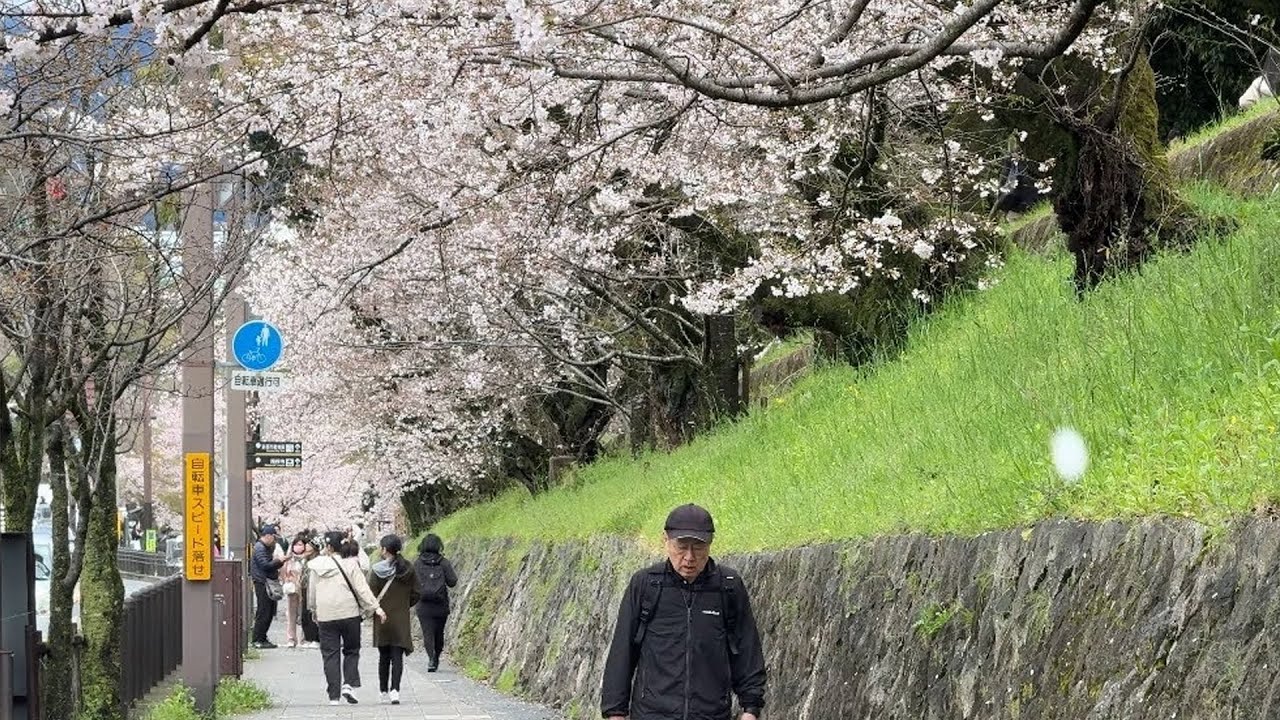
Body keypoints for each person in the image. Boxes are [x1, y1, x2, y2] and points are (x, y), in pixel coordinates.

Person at [601, 504, 767, 720]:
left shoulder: (728, 586)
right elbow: (622, 651)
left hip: (711, 714)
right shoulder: (646, 585)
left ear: (710, 544)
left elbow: (747, 649)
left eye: (698, 547)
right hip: (652, 713)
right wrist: (616, 712)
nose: (689, 557)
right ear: (665, 540)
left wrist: (751, 709)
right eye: (681, 546)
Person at [308, 531, 386, 705]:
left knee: (330, 654)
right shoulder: (351, 565)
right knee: (351, 650)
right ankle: (348, 685)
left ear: (328, 547)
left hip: (326, 614)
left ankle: (333, 696)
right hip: (349, 613)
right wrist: (376, 608)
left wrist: (314, 610)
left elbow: (312, 593)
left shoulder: (316, 566)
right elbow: (362, 589)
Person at [368, 534, 420, 704]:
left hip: (382, 617)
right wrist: (404, 604)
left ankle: (383, 690)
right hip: (401, 618)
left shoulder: (377, 570)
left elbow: (371, 594)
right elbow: (417, 592)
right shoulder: (408, 569)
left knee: (384, 655)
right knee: (397, 656)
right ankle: (395, 690)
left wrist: (378, 609)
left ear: (384, 550)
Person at [413, 533, 458, 672]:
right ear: (438, 546)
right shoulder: (444, 562)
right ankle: (436, 656)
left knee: (427, 633)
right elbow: (452, 582)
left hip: (423, 605)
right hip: (440, 604)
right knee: (439, 633)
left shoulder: (417, 563)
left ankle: (431, 658)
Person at [250, 525, 285, 649]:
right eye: (274, 537)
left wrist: (279, 562)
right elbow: (265, 565)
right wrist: (279, 561)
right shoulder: (260, 548)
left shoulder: (264, 547)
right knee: (264, 611)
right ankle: (258, 639)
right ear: (268, 536)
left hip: (265, 581)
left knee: (268, 611)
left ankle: (262, 637)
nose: (275, 541)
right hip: (263, 582)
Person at [282, 538, 309, 648]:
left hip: (304, 589)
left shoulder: (306, 559)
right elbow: (283, 573)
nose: (298, 546)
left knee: (304, 615)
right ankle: (291, 638)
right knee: (291, 615)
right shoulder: (289, 559)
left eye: (301, 544)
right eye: (296, 544)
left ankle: (304, 637)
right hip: (292, 590)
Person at [298, 535, 322, 648]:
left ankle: (315, 638)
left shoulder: (318, 562)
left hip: (313, 589)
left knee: (312, 612)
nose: (306, 548)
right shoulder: (305, 560)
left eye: (308, 547)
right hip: (304, 588)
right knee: (305, 613)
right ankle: (308, 638)